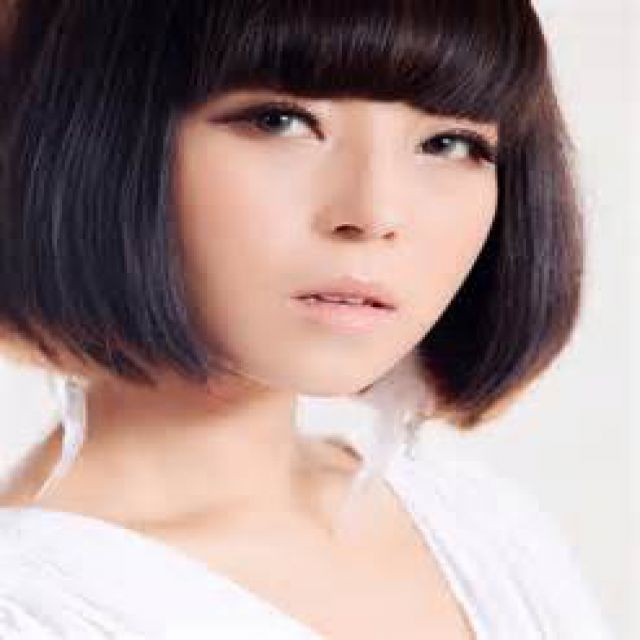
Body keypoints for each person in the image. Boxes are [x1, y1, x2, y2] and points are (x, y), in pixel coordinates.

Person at [0, 1, 615, 638]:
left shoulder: (477, 523)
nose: (374, 213)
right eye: (281, 121)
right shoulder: (32, 610)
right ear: (97, 140)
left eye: (448, 144)